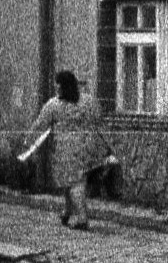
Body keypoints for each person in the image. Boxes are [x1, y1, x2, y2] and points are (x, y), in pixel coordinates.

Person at [20, 70, 114, 230]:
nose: (56, 88)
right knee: (70, 180)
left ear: (62, 86)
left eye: (58, 85)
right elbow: (99, 121)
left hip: (67, 148)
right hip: (88, 146)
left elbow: (40, 124)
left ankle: (82, 219)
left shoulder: (54, 105)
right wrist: (106, 145)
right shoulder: (88, 101)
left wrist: (27, 141)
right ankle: (67, 211)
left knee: (74, 182)